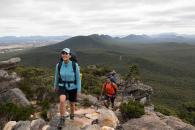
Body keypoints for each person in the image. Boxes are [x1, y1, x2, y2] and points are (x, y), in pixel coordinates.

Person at [54, 48, 81, 127]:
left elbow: (78, 78)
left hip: (73, 86)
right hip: (62, 86)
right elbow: (56, 76)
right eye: (63, 53)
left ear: (69, 55)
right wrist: (55, 86)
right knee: (62, 100)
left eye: (66, 53)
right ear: (61, 55)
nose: (64, 55)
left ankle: (72, 115)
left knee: (72, 104)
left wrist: (79, 90)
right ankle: (62, 119)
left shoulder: (74, 65)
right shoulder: (58, 65)